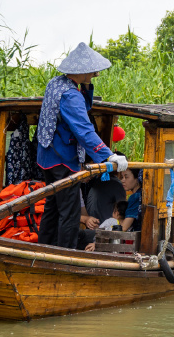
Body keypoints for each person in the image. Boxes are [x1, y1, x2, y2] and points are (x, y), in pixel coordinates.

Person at [36, 43, 128, 249]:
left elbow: (82, 108)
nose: (96, 74)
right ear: (82, 71)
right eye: (93, 71)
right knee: (69, 212)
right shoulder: (71, 95)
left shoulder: (56, 84)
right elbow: (84, 129)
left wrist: (86, 87)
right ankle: (65, 255)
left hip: (47, 158)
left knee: (52, 207)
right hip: (62, 159)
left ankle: (43, 248)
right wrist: (107, 156)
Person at [119, 167, 142, 232]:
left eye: (126, 177)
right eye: (122, 177)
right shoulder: (141, 193)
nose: (122, 180)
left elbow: (124, 227)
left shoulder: (135, 197)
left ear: (137, 178)